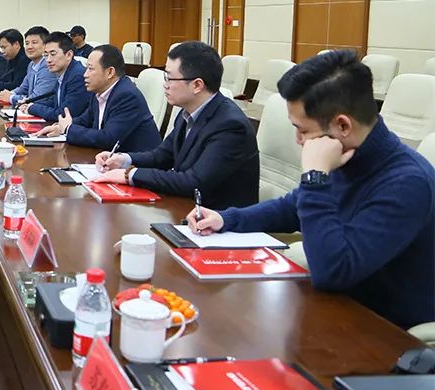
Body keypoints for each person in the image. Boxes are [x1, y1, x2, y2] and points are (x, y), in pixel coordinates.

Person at [185, 51, 434, 329]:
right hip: (337, 307)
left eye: (302, 130)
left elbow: (333, 271)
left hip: (385, 330)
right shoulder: (349, 154)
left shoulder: (407, 182)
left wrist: (315, 175)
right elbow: (294, 207)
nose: (298, 139)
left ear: (342, 125)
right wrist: (227, 219)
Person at [94, 41, 258, 209]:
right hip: (188, 208)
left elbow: (194, 182)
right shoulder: (187, 112)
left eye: (170, 78)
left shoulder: (230, 125)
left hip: (219, 218)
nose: (165, 85)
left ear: (197, 85)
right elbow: (162, 156)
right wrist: (123, 160)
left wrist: (130, 175)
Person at [36, 44, 160, 152]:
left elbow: (108, 139)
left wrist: (68, 129)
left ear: (110, 72)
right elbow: (85, 120)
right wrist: (59, 127)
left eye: (90, 69)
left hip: (137, 165)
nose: (85, 75)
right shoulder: (99, 92)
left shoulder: (126, 96)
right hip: (109, 160)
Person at [22, 31, 91, 123]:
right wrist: (30, 104)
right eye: (46, 55)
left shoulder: (77, 76)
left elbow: (63, 114)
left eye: (53, 54)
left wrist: (32, 108)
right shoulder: (63, 73)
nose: (48, 60)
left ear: (69, 55)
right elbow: (54, 102)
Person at [0, 26, 57, 107]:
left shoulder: (49, 65)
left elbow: (37, 98)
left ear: (46, 45)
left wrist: (11, 97)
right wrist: (10, 93)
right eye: (27, 43)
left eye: (34, 42)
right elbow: (23, 88)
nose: (29, 47)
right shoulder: (31, 64)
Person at [0, 28, 30, 96]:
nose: (2, 51)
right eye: (1, 48)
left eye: (4, 47)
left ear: (16, 44)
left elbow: (16, 85)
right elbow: (5, 79)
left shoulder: (25, 60)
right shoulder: (11, 58)